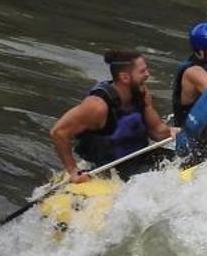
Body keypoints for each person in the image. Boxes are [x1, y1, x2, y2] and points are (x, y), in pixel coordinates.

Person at [50, 50, 178, 183]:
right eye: (142, 71)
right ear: (124, 77)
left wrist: (172, 131)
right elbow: (59, 132)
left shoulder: (142, 93)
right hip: (110, 171)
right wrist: (73, 171)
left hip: (141, 158)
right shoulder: (97, 106)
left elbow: (156, 131)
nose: (148, 74)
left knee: (189, 158)